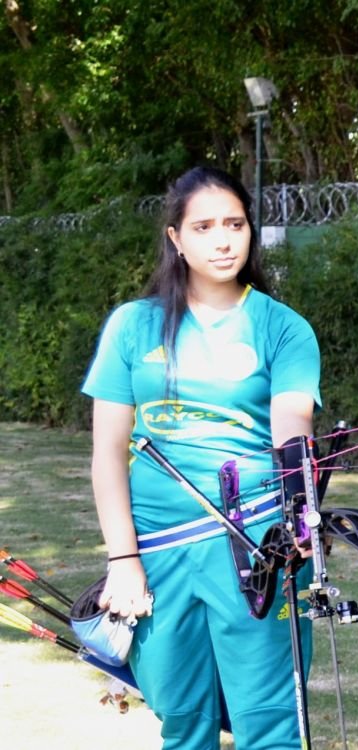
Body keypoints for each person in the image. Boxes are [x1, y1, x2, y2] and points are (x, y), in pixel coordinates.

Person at [84, 166, 321, 749]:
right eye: (204, 226)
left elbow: (292, 432)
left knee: (269, 722)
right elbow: (108, 454)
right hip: (158, 554)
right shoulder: (133, 326)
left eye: (235, 224)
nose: (222, 240)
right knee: (182, 721)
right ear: (176, 238)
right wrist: (123, 559)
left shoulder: (283, 328)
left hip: (257, 549)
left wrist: (295, 523)